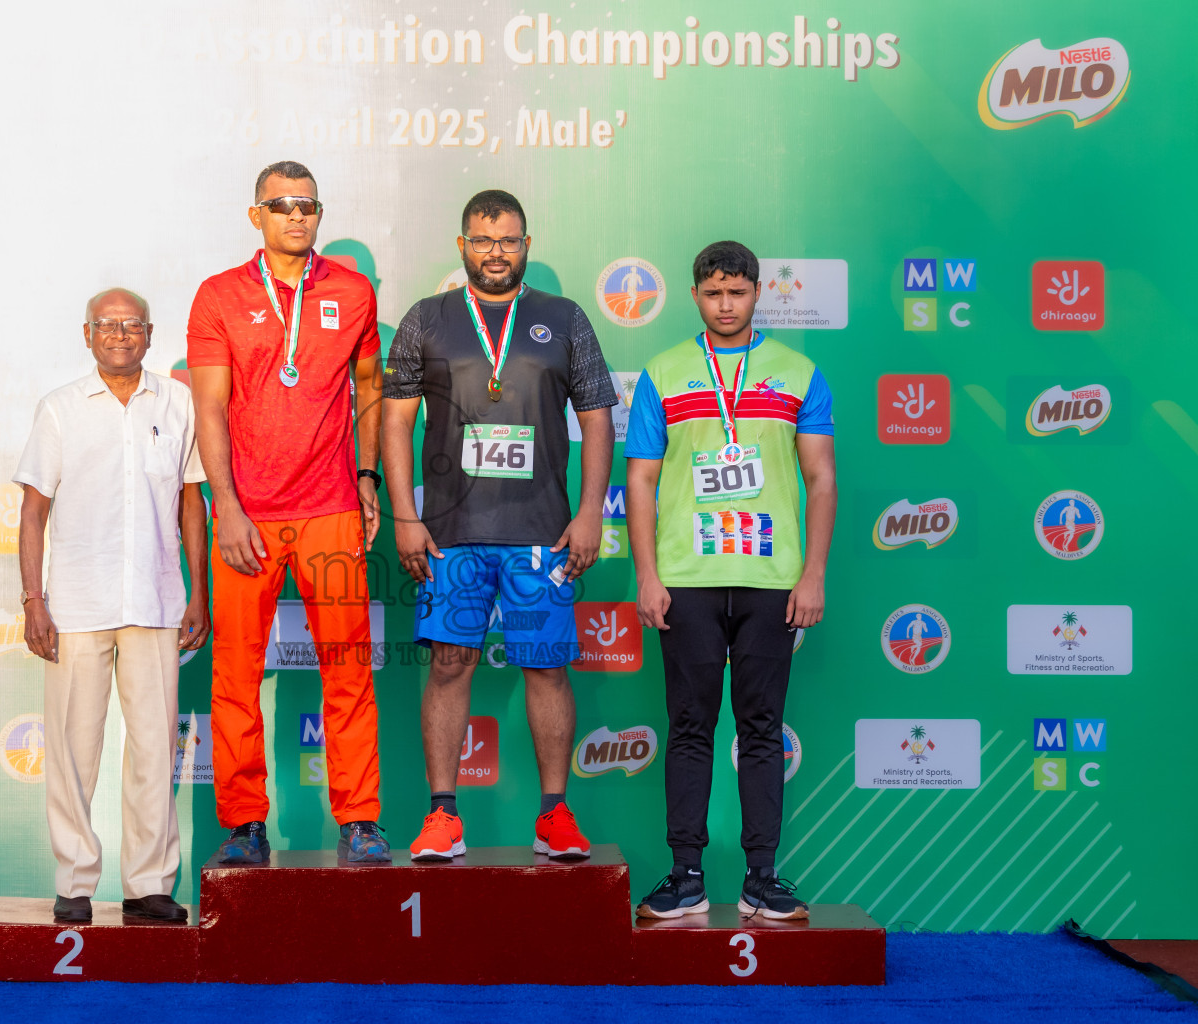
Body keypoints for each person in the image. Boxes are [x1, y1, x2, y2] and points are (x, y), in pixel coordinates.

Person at [382, 189, 617, 861]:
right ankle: (441, 818)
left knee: (545, 670)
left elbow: (597, 418)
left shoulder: (563, 318)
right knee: (450, 666)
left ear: (527, 245)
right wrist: (404, 513)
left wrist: (591, 511)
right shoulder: (425, 320)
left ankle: (554, 816)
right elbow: (394, 422)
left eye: (508, 241)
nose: (496, 253)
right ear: (462, 247)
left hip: (541, 536)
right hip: (450, 536)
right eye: (483, 241)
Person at [187, 160, 390, 864]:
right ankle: (245, 824)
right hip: (249, 517)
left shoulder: (354, 292)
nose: (296, 216)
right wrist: (228, 507)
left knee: (348, 669)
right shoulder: (218, 296)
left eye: (307, 205)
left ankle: (360, 819)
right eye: (281, 205)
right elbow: (209, 407)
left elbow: (369, 388)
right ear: (257, 217)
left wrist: (366, 474)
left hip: (332, 509)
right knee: (236, 676)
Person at [625, 241, 835, 920]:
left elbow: (821, 477)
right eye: (713, 294)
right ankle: (685, 874)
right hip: (685, 578)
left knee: (762, 728)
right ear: (695, 296)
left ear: (756, 294)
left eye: (737, 293)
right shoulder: (665, 372)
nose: (725, 305)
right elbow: (643, 478)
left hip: (771, 579)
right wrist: (648, 574)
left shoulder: (798, 373)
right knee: (689, 727)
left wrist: (813, 575)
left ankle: (762, 880)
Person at [14, 287, 210, 924]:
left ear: (151, 334)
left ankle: (149, 884)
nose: (120, 335)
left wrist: (198, 592)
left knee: (155, 747)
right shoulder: (61, 409)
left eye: (132, 325)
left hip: (157, 598)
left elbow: (191, 503)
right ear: (87, 333)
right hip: (75, 603)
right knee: (73, 750)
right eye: (107, 325)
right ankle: (74, 882)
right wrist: (33, 599)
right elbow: (33, 511)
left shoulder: (178, 402)